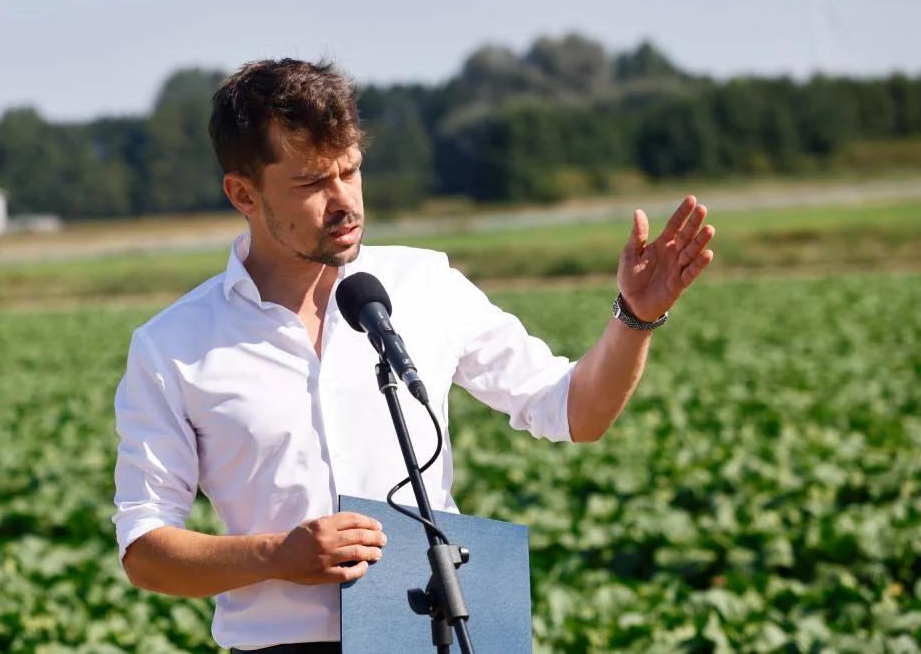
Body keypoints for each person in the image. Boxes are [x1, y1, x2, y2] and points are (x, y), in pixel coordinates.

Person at [112, 58, 715, 653]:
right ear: (243, 193)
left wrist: (635, 317)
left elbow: (574, 412)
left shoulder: (426, 284)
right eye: (312, 183)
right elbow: (145, 550)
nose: (344, 200)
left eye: (350, 171)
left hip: (435, 637)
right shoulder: (173, 346)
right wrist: (279, 556)